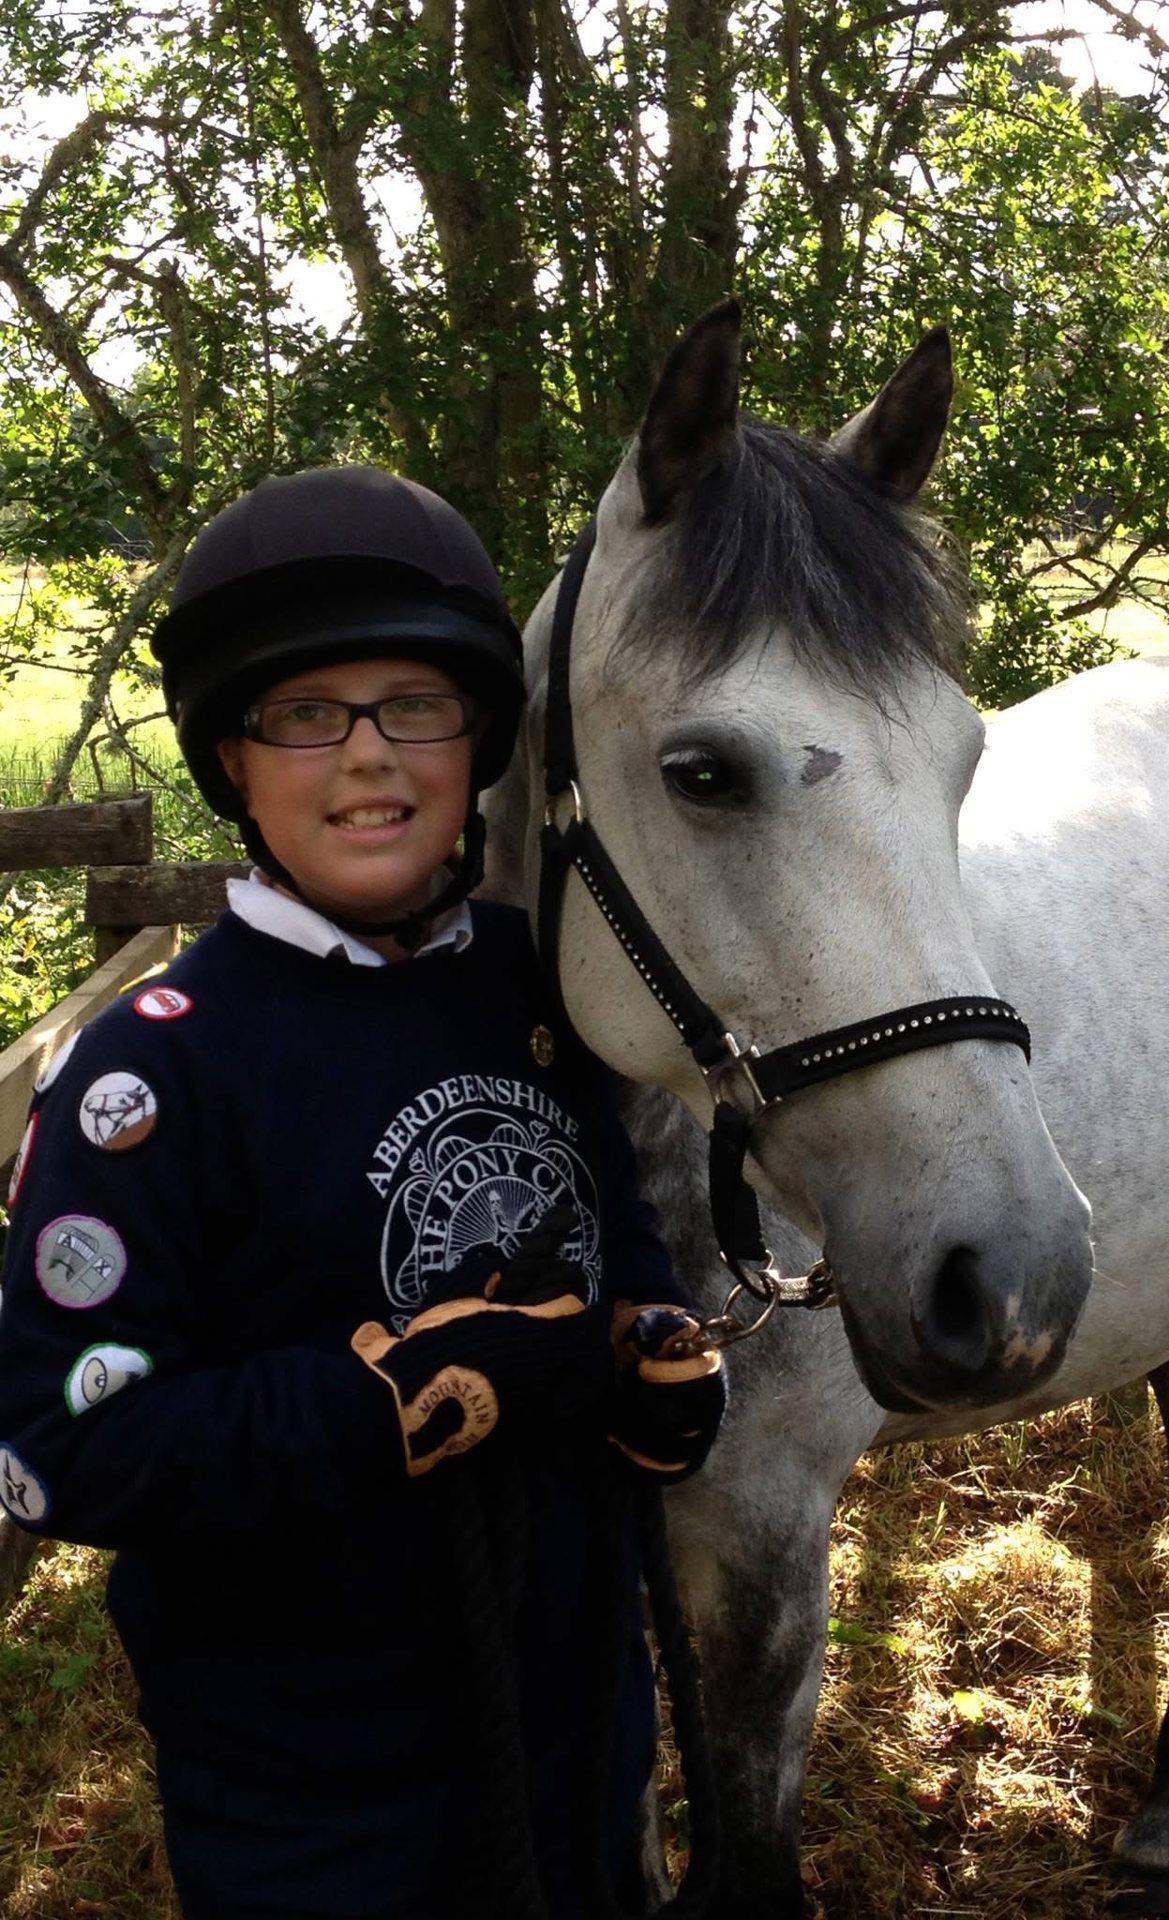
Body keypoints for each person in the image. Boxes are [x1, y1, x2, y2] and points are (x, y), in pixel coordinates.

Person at [0, 467, 727, 1920]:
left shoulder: (541, 987)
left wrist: (646, 1346)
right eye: (306, 716)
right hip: (317, 1794)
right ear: (232, 759)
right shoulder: (156, 1079)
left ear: (477, 742)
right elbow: (62, 1447)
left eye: (416, 706)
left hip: (580, 1729)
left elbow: (617, 1247)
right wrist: (388, 1404)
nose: (368, 763)